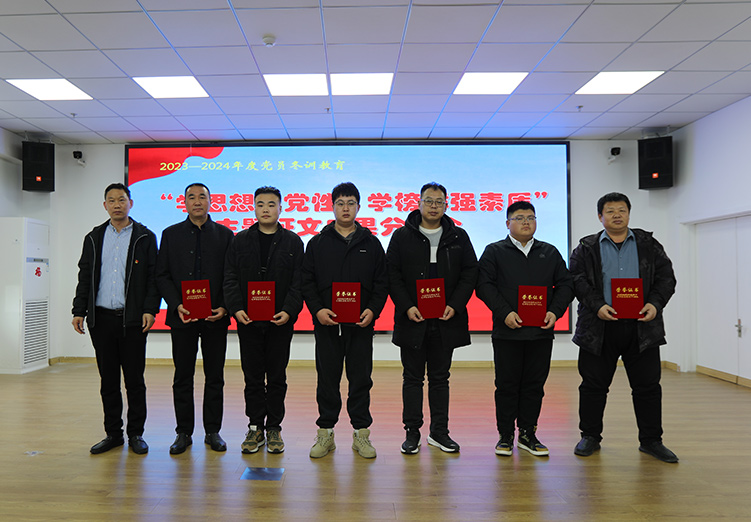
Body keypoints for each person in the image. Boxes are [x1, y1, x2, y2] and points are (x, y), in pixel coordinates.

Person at [570, 192, 678, 463]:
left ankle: (651, 441)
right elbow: (577, 280)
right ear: (600, 216)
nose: (616, 215)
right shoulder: (586, 247)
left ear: (629, 214)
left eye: (622, 210)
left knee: (648, 387)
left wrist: (655, 304)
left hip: (642, 327)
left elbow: (666, 278)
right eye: (610, 211)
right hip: (599, 328)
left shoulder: (648, 244)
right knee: (593, 386)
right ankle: (590, 436)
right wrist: (597, 306)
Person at [386, 182, 478, 454]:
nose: (434, 206)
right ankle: (412, 433)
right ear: (419, 203)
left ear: (446, 205)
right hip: (412, 318)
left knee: (440, 378)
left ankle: (439, 432)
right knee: (412, 378)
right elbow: (392, 274)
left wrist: (455, 305)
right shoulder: (402, 236)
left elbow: (470, 273)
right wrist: (406, 306)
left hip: (446, 319)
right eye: (429, 201)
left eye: (439, 202)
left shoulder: (458, 236)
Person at [476, 201, 574, 457]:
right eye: (519, 218)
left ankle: (528, 433)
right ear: (507, 223)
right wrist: (505, 313)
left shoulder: (549, 252)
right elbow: (484, 286)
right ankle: (505, 435)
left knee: (534, 385)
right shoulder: (494, 251)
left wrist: (555, 311)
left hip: (540, 332)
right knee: (506, 385)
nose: (526, 222)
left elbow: (566, 284)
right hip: (507, 331)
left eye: (531, 217)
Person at [302, 182, 388, 459]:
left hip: (361, 325)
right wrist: (318, 310)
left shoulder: (371, 244)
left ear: (359, 207)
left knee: (360, 379)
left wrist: (373, 310)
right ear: (332, 207)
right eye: (340, 203)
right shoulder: (317, 243)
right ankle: (325, 433)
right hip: (326, 325)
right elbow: (307, 281)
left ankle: (361, 434)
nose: (346, 208)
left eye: (351, 203)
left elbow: (382, 282)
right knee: (327, 379)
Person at [72, 183, 159, 455]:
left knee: (134, 381)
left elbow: (153, 278)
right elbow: (85, 275)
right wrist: (78, 310)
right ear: (105, 205)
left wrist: (150, 309)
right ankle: (113, 434)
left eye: (121, 199)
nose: (117, 205)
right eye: (111, 200)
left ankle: (136, 434)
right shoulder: (94, 237)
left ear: (130, 203)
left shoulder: (145, 237)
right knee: (108, 381)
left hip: (132, 320)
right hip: (101, 320)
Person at [223, 186, 304, 454]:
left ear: (281, 208)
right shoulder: (240, 240)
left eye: (271, 204)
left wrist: (289, 310)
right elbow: (230, 277)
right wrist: (236, 308)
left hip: (280, 322)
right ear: (254, 208)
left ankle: (274, 427)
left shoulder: (293, 242)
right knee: (253, 376)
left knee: (277, 376)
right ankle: (255, 426)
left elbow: (298, 282)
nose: (266, 209)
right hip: (248, 321)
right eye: (260, 204)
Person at [156, 183, 234, 455]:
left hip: (215, 318)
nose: (197, 201)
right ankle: (183, 432)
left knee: (215, 376)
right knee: (182, 376)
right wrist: (176, 305)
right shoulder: (171, 234)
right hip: (182, 318)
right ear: (185, 202)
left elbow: (231, 275)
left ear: (211, 201)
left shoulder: (225, 235)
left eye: (202, 197)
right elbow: (162, 275)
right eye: (192, 197)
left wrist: (224, 307)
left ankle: (213, 431)